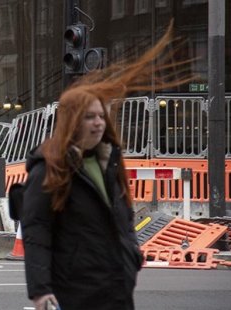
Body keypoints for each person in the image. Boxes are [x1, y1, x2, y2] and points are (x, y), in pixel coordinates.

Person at [21, 21, 192, 310]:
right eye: (90, 117)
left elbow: (123, 218)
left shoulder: (107, 161)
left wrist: (131, 255)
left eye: (101, 116)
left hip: (115, 288)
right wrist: (40, 290)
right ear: (72, 120)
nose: (99, 122)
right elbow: (36, 231)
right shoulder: (49, 167)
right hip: (75, 292)